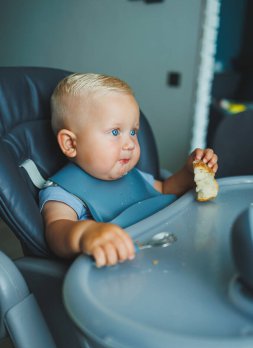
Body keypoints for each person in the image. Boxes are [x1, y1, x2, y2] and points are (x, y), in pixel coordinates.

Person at [39, 73, 218, 268]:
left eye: (133, 131)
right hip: (124, 269)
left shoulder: (131, 174)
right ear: (71, 143)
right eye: (115, 132)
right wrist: (85, 233)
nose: (131, 144)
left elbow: (165, 190)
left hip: (165, 249)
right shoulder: (64, 192)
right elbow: (56, 232)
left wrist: (189, 173)